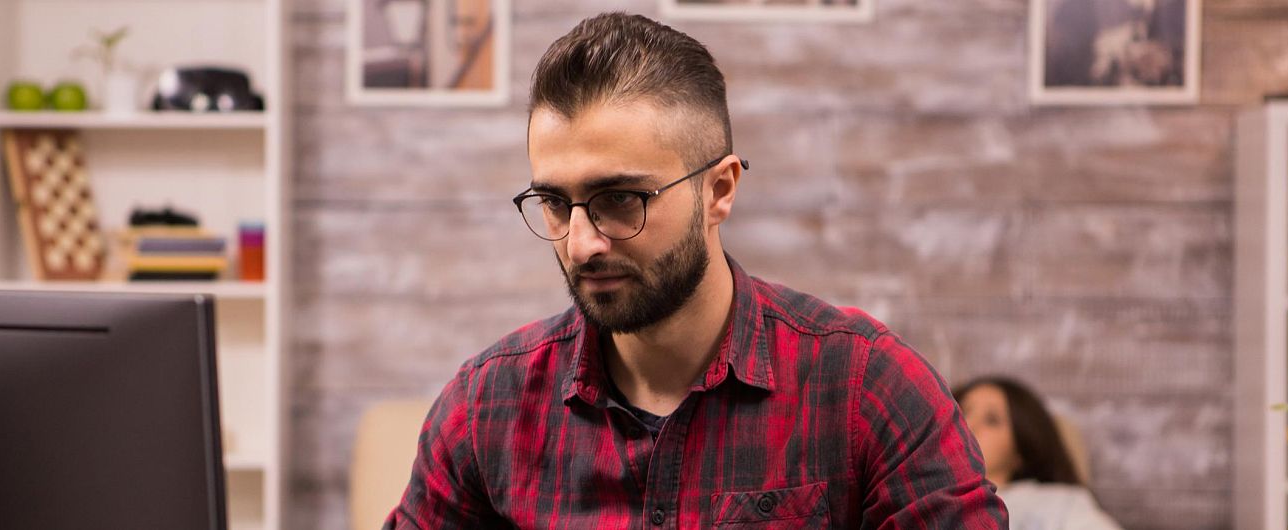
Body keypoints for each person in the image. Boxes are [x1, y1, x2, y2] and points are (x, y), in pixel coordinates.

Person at [385, 12, 1007, 529]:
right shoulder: (486, 408)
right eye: (553, 201)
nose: (580, 245)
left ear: (719, 190)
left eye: (620, 199)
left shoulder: (866, 388)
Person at [954, 376, 1123, 530]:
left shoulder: (1059, 505)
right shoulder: (939, 504)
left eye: (992, 420)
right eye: (962, 412)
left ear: (1020, 452)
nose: (968, 424)